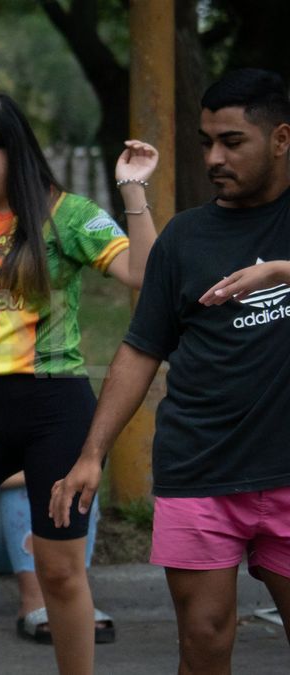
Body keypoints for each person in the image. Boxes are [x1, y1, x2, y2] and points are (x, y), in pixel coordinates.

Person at [0, 71, 158, 675]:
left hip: (56, 412)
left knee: (60, 570)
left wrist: (133, 193)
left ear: (10, 148)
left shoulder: (69, 215)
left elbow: (143, 274)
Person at [51, 67, 290, 672]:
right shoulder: (185, 238)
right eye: (207, 141)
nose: (214, 157)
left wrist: (281, 272)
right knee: (204, 643)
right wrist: (91, 453)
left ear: (282, 140)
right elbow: (139, 350)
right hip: (200, 467)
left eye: (232, 142)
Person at [0, 397, 115, 645]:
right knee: (36, 477)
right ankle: (34, 600)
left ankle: (73, 596)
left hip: (48, 542)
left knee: (80, 475)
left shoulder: (56, 407)